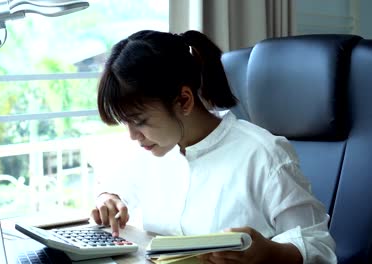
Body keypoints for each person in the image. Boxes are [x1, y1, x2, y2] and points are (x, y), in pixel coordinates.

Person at [91, 29, 336, 264]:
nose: (133, 136)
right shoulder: (153, 150)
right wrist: (108, 197)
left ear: (184, 101)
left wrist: (269, 254)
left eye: (140, 122)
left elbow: (318, 246)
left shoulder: (263, 154)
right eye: (126, 123)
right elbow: (116, 186)